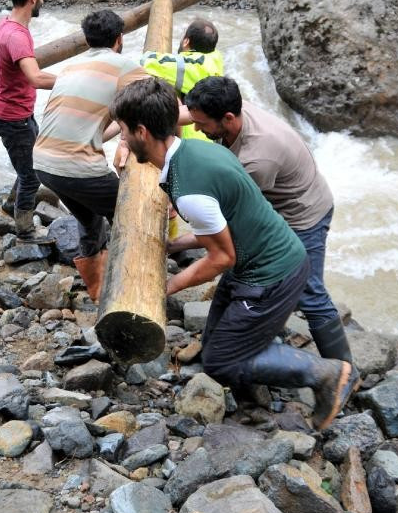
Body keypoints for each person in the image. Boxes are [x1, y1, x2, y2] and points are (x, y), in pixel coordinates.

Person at [112, 77, 357, 431]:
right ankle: (256, 382)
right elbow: (223, 227)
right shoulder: (198, 149)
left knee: (220, 362)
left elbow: (220, 258)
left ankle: (329, 372)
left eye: (123, 131)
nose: (122, 138)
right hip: (258, 259)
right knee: (214, 346)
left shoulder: (193, 189)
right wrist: (177, 244)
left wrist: (162, 289)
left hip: (271, 274)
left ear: (142, 132)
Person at [184, 76, 352, 364]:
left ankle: (344, 371)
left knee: (310, 293)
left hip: (303, 215)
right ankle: (236, 334)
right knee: (246, 271)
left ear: (227, 118)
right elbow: (186, 114)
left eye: (202, 124)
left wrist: (175, 244)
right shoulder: (234, 105)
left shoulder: (256, 160)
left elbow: (223, 227)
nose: (197, 128)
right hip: (281, 200)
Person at [33, 9, 149, 302]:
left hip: (43, 164)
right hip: (77, 166)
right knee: (129, 212)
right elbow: (157, 99)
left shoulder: (70, 68)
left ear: (87, 40)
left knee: (89, 218)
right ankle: (131, 283)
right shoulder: (124, 65)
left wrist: (122, 138)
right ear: (119, 39)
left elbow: (94, 126)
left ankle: (97, 288)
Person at [0, 0, 56, 243]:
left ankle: (10, 204)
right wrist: (74, 82)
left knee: (30, 164)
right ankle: (25, 230)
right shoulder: (17, 36)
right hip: (14, 117)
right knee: (31, 176)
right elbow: (36, 78)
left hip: (13, 112)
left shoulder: (4, 24)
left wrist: (0, 74)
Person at [141, 17, 224, 141]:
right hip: (214, 138)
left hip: (193, 140)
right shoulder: (215, 57)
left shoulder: (188, 67)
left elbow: (147, 61)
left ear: (186, 42)